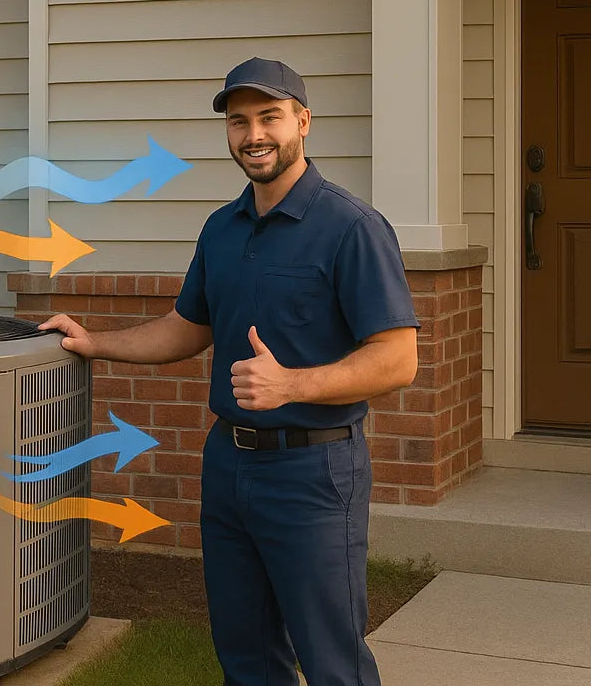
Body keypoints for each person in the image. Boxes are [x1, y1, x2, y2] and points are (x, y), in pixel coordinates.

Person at [40, 57, 419, 686]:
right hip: (229, 467)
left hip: (315, 472)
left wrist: (292, 385)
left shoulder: (351, 227)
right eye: (239, 122)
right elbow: (188, 328)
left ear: (303, 122)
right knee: (244, 654)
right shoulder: (221, 229)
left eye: (269, 117)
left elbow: (398, 357)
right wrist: (94, 342)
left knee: (332, 661)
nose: (254, 135)